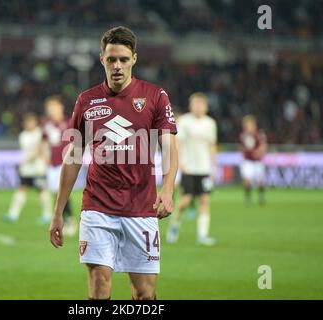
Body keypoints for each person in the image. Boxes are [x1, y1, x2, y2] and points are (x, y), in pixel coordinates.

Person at [49, 26, 178, 300]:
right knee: (99, 285)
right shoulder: (86, 100)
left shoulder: (156, 96)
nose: (117, 66)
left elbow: (169, 147)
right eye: (111, 60)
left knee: (144, 293)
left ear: (134, 59)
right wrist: (58, 211)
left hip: (141, 208)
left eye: (122, 59)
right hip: (98, 206)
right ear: (102, 60)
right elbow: (73, 156)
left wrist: (167, 189)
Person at [166, 93, 217, 246]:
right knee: (185, 200)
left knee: (204, 200)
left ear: (206, 107)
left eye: (201, 104)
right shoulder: (185, 122)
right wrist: (181, 162)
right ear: (191, 105)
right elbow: (178, 143)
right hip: (189, 167)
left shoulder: (210, 123)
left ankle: (203, 235)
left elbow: (212, 145)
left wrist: (214, 166)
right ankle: (174, 225)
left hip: (204, 168)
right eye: (195, 104)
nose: (198, 107)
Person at [3, 112, 50, 223]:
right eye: (28, 122)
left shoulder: (40, 133)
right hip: (27, 169)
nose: (30, 124)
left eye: (32, 122)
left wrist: (26, 160)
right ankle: (13, 214)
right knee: (21, 189)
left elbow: (41, 149)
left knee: (42, 190)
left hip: (38, 168)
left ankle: (47, 215)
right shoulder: (23, 136)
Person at [41, 95, 77, 235]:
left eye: (54, 106)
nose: (51, 110)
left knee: (62, 193)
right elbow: (44, 141)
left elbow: (76, 141)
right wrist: (44, 155)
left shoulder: (68, 123)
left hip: (64, 163)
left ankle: (70, 220)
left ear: (60, 107)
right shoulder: (47, 125)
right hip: (52, 164)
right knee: (57, 194)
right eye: (49, 107)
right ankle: (65, 219)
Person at [239, 115, 268, 206]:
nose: (248, 127)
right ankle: (248, 198)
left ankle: (261, 197)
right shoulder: (243, 135)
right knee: (247, 180)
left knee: (260, 181)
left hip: (258, 161)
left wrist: (258, 152)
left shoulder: (259, 134)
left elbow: (264, 146)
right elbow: (242, 147)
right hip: (248, 161)